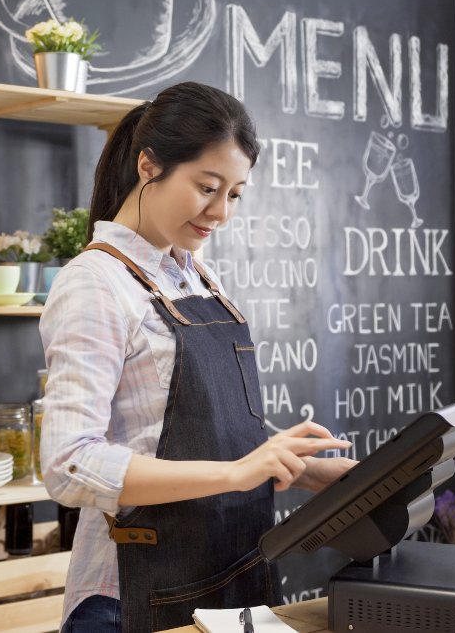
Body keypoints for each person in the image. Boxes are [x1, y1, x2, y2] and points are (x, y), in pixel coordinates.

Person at [39, 81, 357, 633]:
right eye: (207, 187)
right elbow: (69, 465)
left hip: (231, 576)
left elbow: (201, 422)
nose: (221, 213)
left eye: (234, 194)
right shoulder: (95, 283)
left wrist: (303, 471)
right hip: (133, 599)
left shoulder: (196, 274)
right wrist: (237, 473)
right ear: (148, 166)